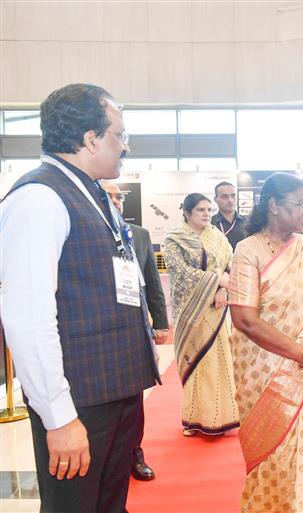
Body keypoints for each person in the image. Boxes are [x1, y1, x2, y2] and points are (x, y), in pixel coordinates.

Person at [0, 83, 159, 512]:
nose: (124, 147)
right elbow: (28, 317)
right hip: (79, 402)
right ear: (90, 139)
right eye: (119, 135)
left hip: (113, 393)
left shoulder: (91, 192)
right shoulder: (39, 198)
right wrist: (59, 417)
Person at [228, 172, 303, 512]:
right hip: (265, 374)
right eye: (299, 204)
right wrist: (300, 352)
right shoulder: (247, 251)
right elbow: (244, 319)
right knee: (276, 454)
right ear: (274, 205)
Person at [103, 180, 168, 481]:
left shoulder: (139, 235)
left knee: (135, 402)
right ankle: (109, 459)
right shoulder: (91, 232)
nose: (116, 201)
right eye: (109, 196)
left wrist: (162, 321)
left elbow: (152, 282)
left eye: (119, 197)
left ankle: (135, 454)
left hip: (136, 331)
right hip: (102, 334)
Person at [163, 193, 239, 437]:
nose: (206, 214)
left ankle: (222, 417)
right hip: (191, 311)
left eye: (208, 209)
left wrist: (221, 289)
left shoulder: (217, 237)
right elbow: (182, 274)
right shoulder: (175, 239)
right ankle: (194, 419)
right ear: (186, 213)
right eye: (200, 210)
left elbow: (230, 262)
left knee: (219, 360)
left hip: (216, 310)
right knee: (196, 363)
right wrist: (217, 282)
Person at [212, 181, 247, 250]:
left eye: (233, 196)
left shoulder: (248, 222)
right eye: (224, 197)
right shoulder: (210, 224)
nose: (230, 200)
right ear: (215, 199)